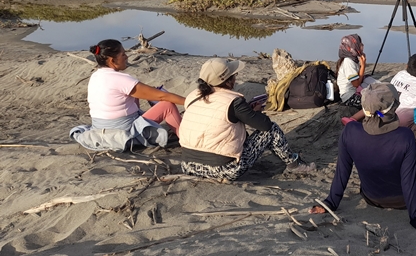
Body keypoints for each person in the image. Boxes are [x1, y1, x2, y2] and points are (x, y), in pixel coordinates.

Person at [310, 83, 416, 233]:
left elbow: (342, 171)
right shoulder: (405, 136)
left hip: (370, 197)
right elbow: (408, 180)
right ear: (394, 106)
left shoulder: (350, 131)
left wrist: (330, 203)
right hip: (402, 201)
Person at [180, 58, 315, 181]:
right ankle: (294, 164)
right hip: (223, 169)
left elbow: (212, 118)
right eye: (234, 76)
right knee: (272, 130)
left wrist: (247, 113)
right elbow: (265, 125)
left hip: (188, 166)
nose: (235, 79)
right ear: (227, 81)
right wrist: (254, 113)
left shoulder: (193, 96)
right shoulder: (234, 102)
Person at [71, 39, 184, 151]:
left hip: (100, 128)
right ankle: (186, 139)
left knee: (134, 95)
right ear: (112, 60)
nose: (126, 57)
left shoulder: (95, 76)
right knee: (167, 106)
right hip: (124, 130)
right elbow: (163, 96)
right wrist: (192, 102)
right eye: (123, 54)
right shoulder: (121, 79)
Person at [336, 34, 377, 125]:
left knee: (374, 85)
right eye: (360, 44)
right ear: (352, 47)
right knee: (374, 103)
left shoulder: (353, 59)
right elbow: (356, 84)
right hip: (349, 96)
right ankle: (352, 119)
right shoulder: (348, 62)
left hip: (354, 89)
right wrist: (363, 66)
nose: (362, 45)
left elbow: (358, 79)